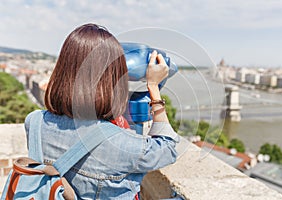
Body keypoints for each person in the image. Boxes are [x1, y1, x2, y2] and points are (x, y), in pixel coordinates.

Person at [25, 23, 179, 200]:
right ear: (112, 78)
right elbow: (168, 147)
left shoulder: (34, 122)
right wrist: (153, 87)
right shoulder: (122, 146)